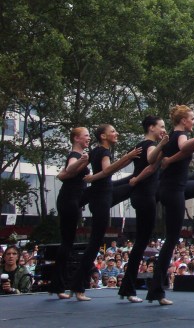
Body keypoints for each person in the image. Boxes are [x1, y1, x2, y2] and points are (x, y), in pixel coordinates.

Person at [145, 105, 194, 305]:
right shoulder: (181, 135)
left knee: (170, 239)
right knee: (171, 240)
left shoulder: (170, 137)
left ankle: (156, 290)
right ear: (184, 121)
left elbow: (155, 160)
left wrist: (163, 149)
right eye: (192, 119)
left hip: (168, 188)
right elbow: (185, 146)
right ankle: (157, 291)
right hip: (174, 190)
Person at [72, 125, 140, 302]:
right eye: (113, 131)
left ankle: (78, 286)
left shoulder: (96, 150)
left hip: (104, 193)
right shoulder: (103, 152)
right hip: (101, 196)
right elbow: (107, 170)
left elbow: (108, 170)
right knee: (95, 242)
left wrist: (129, 158)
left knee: (133, 182)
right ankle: (78, 286)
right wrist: (127, 157)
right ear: (103, 136)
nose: (116, 133)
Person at [118, 116, 169, 303]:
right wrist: (163, 144)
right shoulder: (149, 145)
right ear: (151, 128)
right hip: (145, 196)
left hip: (142, 195)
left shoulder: (143, 145)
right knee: (141, 242)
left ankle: (127, 288)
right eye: (161, 127)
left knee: (141, 242)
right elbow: (151, 163)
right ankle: (128, 288)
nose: (164, 129)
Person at [47, 127, 91, 298]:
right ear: (76, 138)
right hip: (69, 200)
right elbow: (71, 168)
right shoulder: (75, 155)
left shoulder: (79, 156)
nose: (88, 138)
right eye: (86, 136)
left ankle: (57, 286)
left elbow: (63, 174)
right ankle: (58, 286)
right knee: (67, 242)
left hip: (74, 200)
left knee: (68, 242)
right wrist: (83, 161)